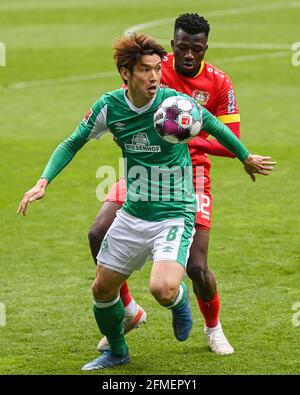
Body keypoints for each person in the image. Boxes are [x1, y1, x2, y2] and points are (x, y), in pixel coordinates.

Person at [17, 32, 275, 370]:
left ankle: (180, 303)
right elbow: (72, 142)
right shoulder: (109, 107)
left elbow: (213, 124)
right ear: (126, 73)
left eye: (156, 69)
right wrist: (42, 181)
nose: (153, 77)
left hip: (173, 212)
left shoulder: (174, 104)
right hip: (135, 210)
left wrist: (244, 156)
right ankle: (118, 352)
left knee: (163, 289)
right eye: (144, 70)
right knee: (101, 289)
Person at [92, 13, 248, 355]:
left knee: (196, 266)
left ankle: (213, 328)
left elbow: (230, 140)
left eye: (197, 49)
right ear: (172, 45)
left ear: (206, 47)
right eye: (182, 48)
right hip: (143, 168)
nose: (189, 55)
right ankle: (129, 311)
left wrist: (184, 137)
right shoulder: (153, 69)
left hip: (192, 174)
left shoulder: (220, 83)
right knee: (97, 231)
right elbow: (127, 107)